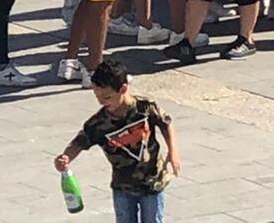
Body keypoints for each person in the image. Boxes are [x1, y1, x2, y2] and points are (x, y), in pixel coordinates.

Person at [53, 58, 181, 223]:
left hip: (153, 181)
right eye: (97, 96)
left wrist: (173, 152)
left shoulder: (144, 107)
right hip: (123, 186)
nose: (101, 101)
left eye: (107, 97)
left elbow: (166, 124)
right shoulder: (99, 123)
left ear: (123, 89)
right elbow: (79, 142)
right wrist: (66, 157)